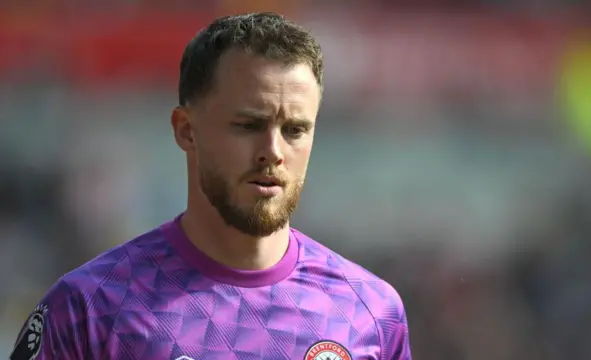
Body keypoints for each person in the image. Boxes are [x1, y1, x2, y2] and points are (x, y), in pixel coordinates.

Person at [10, 12, 411, 360]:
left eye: (294, 130)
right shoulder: (91, 307)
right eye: (248, 125)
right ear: (187, 131)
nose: (272, 151)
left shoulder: (370, 312)